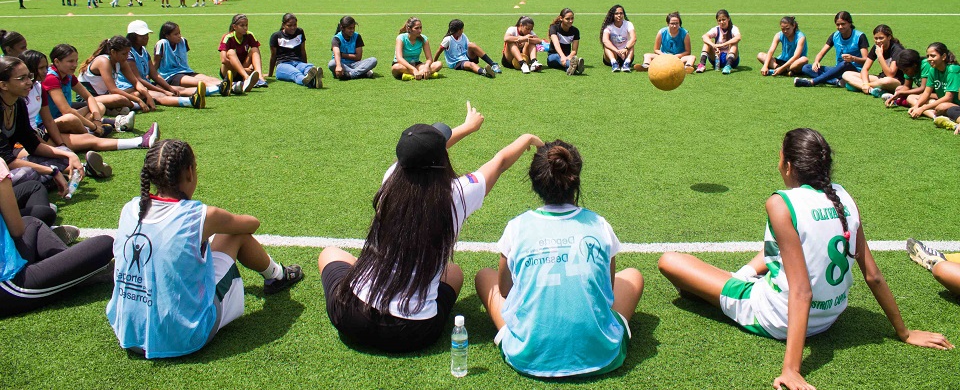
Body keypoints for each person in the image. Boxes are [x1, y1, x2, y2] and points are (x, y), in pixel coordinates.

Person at [657, 128, 954, 390]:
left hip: (778, 316)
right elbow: (873, 275)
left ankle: (733, 286)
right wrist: (904, 332)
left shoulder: (780, 203)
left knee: (670, 261)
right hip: (830, 317)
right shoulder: (844, 197)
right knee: (783, 246)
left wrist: (791, 369)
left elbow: (802, 291)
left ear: (787, 165)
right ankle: (740, 278)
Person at [318, 103, 544, 352]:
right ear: (442, 159)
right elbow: (499, 162)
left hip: (352, 318)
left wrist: (464, 128)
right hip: (413, 332)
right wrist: (526, 138)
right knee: (454, 272)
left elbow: (424, 156)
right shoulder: (458, 194)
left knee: (330, 253)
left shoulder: (391, 177)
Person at [107, 139, 304, 358]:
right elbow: (252, 223)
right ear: (190, 172)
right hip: (182, 336)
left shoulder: (130, 208)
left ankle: (275, 275)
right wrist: (214, 225)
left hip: (128, 331)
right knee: (234, 234)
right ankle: (277, 276)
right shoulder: (200, 215)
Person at [475, 140, 644, 378]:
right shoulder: (599, 224)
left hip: (527, 356)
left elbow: (504, 290)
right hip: (601, 356)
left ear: (535, 182)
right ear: (574, 179)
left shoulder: (517, 227)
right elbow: (608, 291)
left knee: (485, 276)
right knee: (633, 276)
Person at [0, 156, 114, 317]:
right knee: (106, 243)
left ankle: (74, 272)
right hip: (9, 284)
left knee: (32, 223)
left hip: (8, 264)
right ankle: (79, 276)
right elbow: (17, 230)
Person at [23, 49, 158, 154]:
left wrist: (97, 122)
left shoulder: (38, 87)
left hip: (45, 130)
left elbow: (88, 98)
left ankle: (135, 138)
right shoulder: (48, 80)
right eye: (70, 61)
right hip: (39, 133)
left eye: (75, 61)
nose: (75, 65)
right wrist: (94, 127)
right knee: (77, 124)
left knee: (97, 109)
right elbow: (63, 112)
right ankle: (128, 135)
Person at [0, 56, 84, 193]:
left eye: (29, 76)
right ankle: (44, 182)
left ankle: (43, 182)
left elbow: (32, 144)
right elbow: (7, 160)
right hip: (3, 169)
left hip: (9, 165)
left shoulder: (18, 104)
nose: (29, 82)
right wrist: (52, 171)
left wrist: (69, 154)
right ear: (3, 85)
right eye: (22, 78)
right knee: (27, 173)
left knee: (63, 153)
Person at [116, 24, 207, 110]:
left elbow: (154, 74)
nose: (146, 37)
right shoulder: (128, 53)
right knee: (159, 95)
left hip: (144, 84)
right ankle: (191, 101)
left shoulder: (143, 50)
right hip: (129, 87)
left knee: (177, 89)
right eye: (142, 35)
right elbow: (137, 79)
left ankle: (214, 90)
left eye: (146, 34)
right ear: (133, 36)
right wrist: (164, 91)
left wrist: (169, 88)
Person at [155, 22, 245, 95]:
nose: (179, 36)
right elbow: (156, 63)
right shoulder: (162, 43)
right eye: (175, 34)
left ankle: (234, 85)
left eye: (179, 33)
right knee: (200, 82)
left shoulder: (183, 41)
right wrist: (153, 78)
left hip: (186, 71)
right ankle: (228, 88)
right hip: (171, 76)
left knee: (209, 79)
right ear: (167, 36)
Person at [794, 11, 868, 88]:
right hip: (838, 69)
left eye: (843, 24)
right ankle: (836, 81)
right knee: (806, 68)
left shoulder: (860, 36)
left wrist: (853, 58)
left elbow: (866, 60)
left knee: (845, 63)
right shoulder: (835, 36)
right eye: (838, 24)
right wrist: (816, 61)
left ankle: (812, 82)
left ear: (850, 23)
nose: (840, 27)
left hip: (854, 71)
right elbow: (821, 53)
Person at [79, 37, 150, 112]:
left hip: (105, 96)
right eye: (124, 54)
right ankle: (135, 106)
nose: (127, 57)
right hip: (88, 98)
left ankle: (114, 108)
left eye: (128, 53)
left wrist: (148, 96)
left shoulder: (121, 61)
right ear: (113, 52)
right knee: (119, 99)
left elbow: (135, 82)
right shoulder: (103, 61)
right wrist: (138, 100)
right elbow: (113, 90)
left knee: (142, 91)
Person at [840, 24, 905, 97]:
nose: (878, 41)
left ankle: (861, 86)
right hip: (880, 79)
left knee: (887, 80)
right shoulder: (876, 47)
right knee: (846, 74)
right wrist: (864, 83)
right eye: (876, 38)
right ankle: (872, 90)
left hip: (896, 81)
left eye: (881, 38)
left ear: (889, 37)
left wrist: (880, 56)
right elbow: (865, 69)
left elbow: (890, 74)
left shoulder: (897, 50)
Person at [905, 42, 959, 121]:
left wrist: (923, 108)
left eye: (933, 56)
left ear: (943, 57)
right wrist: (917, 106)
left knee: (941, 107)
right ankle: (936, 117)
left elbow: (949, 97)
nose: (929, 59)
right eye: (928, 56)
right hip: (942, 101)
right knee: (911, 97)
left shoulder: (953, 70)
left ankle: (941, 116)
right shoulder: (932, 70)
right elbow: (927, 93)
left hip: (954, 104)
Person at [268, 13, 321, 89]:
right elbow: (273, 56)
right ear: (283, 25)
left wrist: (305, 64)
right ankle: (309, 82)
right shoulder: (276, 36)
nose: (293, 28)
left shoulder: (299, 32)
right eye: (289, 25)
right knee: (295, 74)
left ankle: (312, 76)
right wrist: (270, 74)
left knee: (310, 67)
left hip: (298, 63)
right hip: (283, 65)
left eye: (295, 25)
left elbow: (303, 50)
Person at [218, 14, 266, 89]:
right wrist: (242, 70)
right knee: (231, 52)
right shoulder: (228, 37)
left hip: (243, 67)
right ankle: (247, 78)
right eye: (242, 25)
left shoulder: (249, 35)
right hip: (230, 71)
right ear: (234, 27)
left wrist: (251, 66)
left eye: (246, 25)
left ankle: (260, 77)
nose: (245, 28)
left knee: (254, 49)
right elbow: (224, 60)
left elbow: (257, 54)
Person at [329, 16, 378, 80]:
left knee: (373, 60)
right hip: (342, 64)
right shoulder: (336, 38)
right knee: (332, 63)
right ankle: (362, 73)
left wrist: (342, 55)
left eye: (353, 28)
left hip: (355, 64)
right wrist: (338, 66)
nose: (352, 30)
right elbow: (336, 54)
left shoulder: (357, 36)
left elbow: (358, 57)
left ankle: (350, 74)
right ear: (342, 28)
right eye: (349, 28)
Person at [696, 9, 741, 74]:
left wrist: (721, 45)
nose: (721, 22)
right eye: (719, 20)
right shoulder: (716, 29)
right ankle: (702, 64)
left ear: (728, 19)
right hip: (717, 58)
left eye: (723, 19)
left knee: (734, 43)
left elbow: (738, 37)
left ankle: (728, 66)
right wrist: (713, 45)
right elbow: (704, 36)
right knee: (707, 42)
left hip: (731, 58)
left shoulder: (733, 28)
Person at [546, 8, 584, 75]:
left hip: (567, 56)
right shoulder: (554, 28)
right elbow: (556, 44)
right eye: (567, 19)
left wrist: (568, 57)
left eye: (572, 18)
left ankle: (571, 68)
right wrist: (563, 57)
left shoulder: (575, 31)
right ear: (561, 18)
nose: (570, 21)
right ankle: (576, 66)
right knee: (558, 57)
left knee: (568, 67)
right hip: (553, 57)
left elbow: (574, 50)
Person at [600, 5, 636, 73]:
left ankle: (627, 64)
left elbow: (634, 38)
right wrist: (617, 51)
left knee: (631, 44)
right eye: (616, 13)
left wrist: (626, 48)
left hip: (625, 53)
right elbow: (605, 40)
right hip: (613, 53)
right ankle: (614, 63)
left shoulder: (628, 24)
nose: (619, 15)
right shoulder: (608, 26)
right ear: (612, 15)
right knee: (606, 46)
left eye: (621, 13)